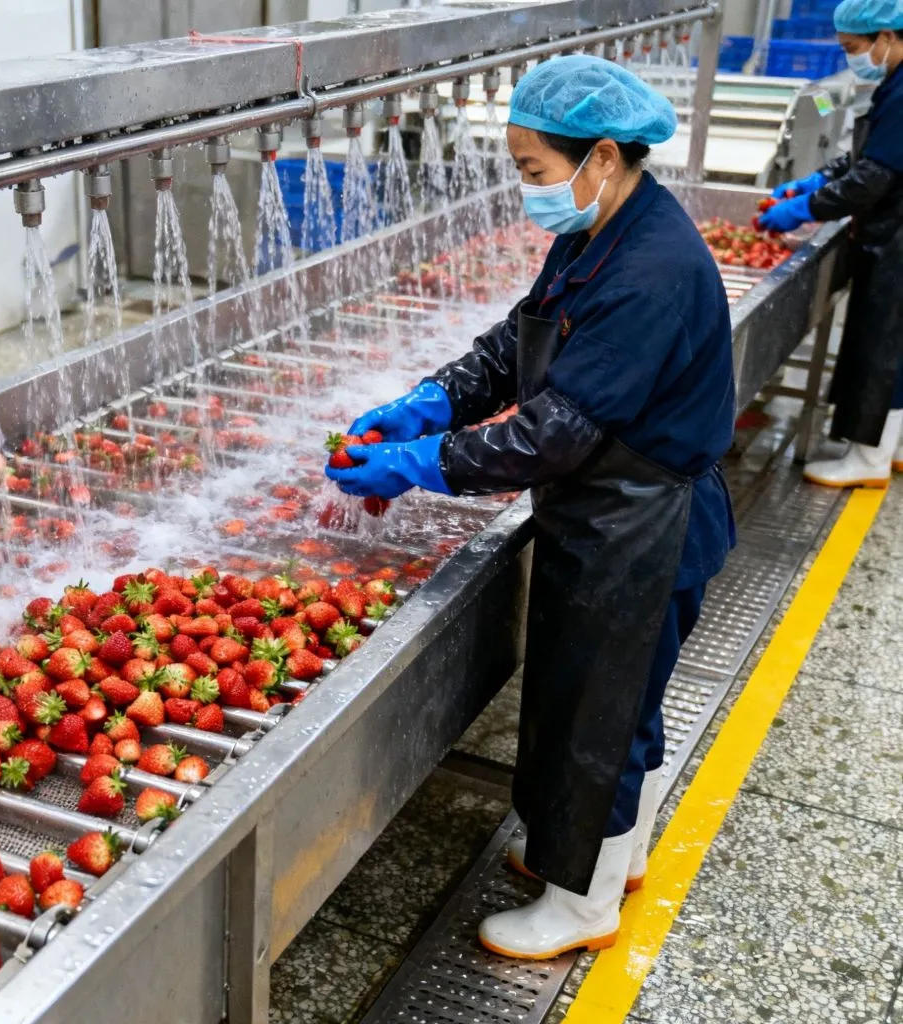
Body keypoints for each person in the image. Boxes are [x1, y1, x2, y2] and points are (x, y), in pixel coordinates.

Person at [327, 54, 736, 961]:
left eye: (532, 169)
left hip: (643, 528)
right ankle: (612, 857)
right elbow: (523, 338)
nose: (527, 189)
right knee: (616, 704)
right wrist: (433, 400)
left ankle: (581, 906)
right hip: (612, 512)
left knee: (598, 718)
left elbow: (553, 435)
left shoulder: (651, 271)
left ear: (600, 157)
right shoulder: (604, 231)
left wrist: (419, 463)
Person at [758, 0, 903, 487]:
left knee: (883, 346)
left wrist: (807, 207)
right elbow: (870, 155)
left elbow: (874, 178)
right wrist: (816, 180)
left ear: (887, 36)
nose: (851, 58)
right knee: (896, 347)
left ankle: (868, 460)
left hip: (898, 240)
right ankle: (892, 446)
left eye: (853, 47)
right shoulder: (895, 83)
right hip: (893, 232)